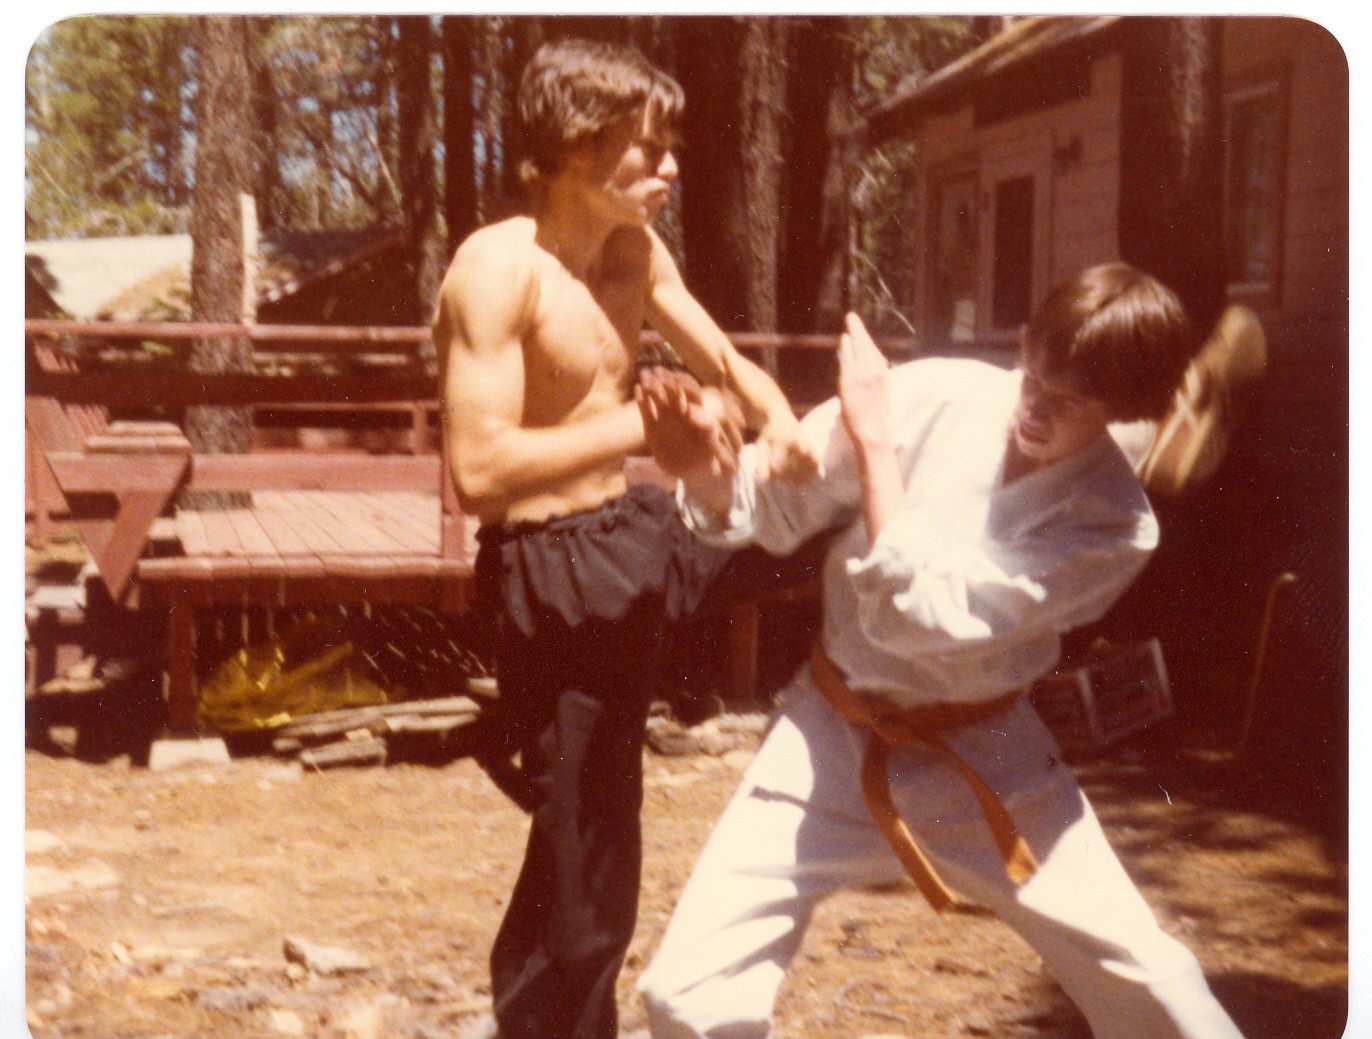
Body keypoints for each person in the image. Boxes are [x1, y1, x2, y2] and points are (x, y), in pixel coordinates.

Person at [634, 263, 1246, 1039]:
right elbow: (779, 500)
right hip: (831, 728)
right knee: (687, 992)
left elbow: (919, 615)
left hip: (987, 751)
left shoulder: (1115, 524)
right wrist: (709, 471)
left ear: (1119, 410)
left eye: (1068, 402)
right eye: (1035, 376)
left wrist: (879, 447)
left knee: (1155, 985)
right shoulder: (938, 395)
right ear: (1024, 344)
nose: (1035, 407)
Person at [434, 37, 815, 1039]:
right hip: (549, 579)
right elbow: (475, 474)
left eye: (673, 147)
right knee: (584, 861)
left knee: (843, 510)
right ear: (572, 144)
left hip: (632, 538)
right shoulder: (495, 270)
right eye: (646, 149)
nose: (671, 168)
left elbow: (723, 356)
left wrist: (784, 428)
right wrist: (643, 433)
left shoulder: (633, 252)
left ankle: (905, 716)